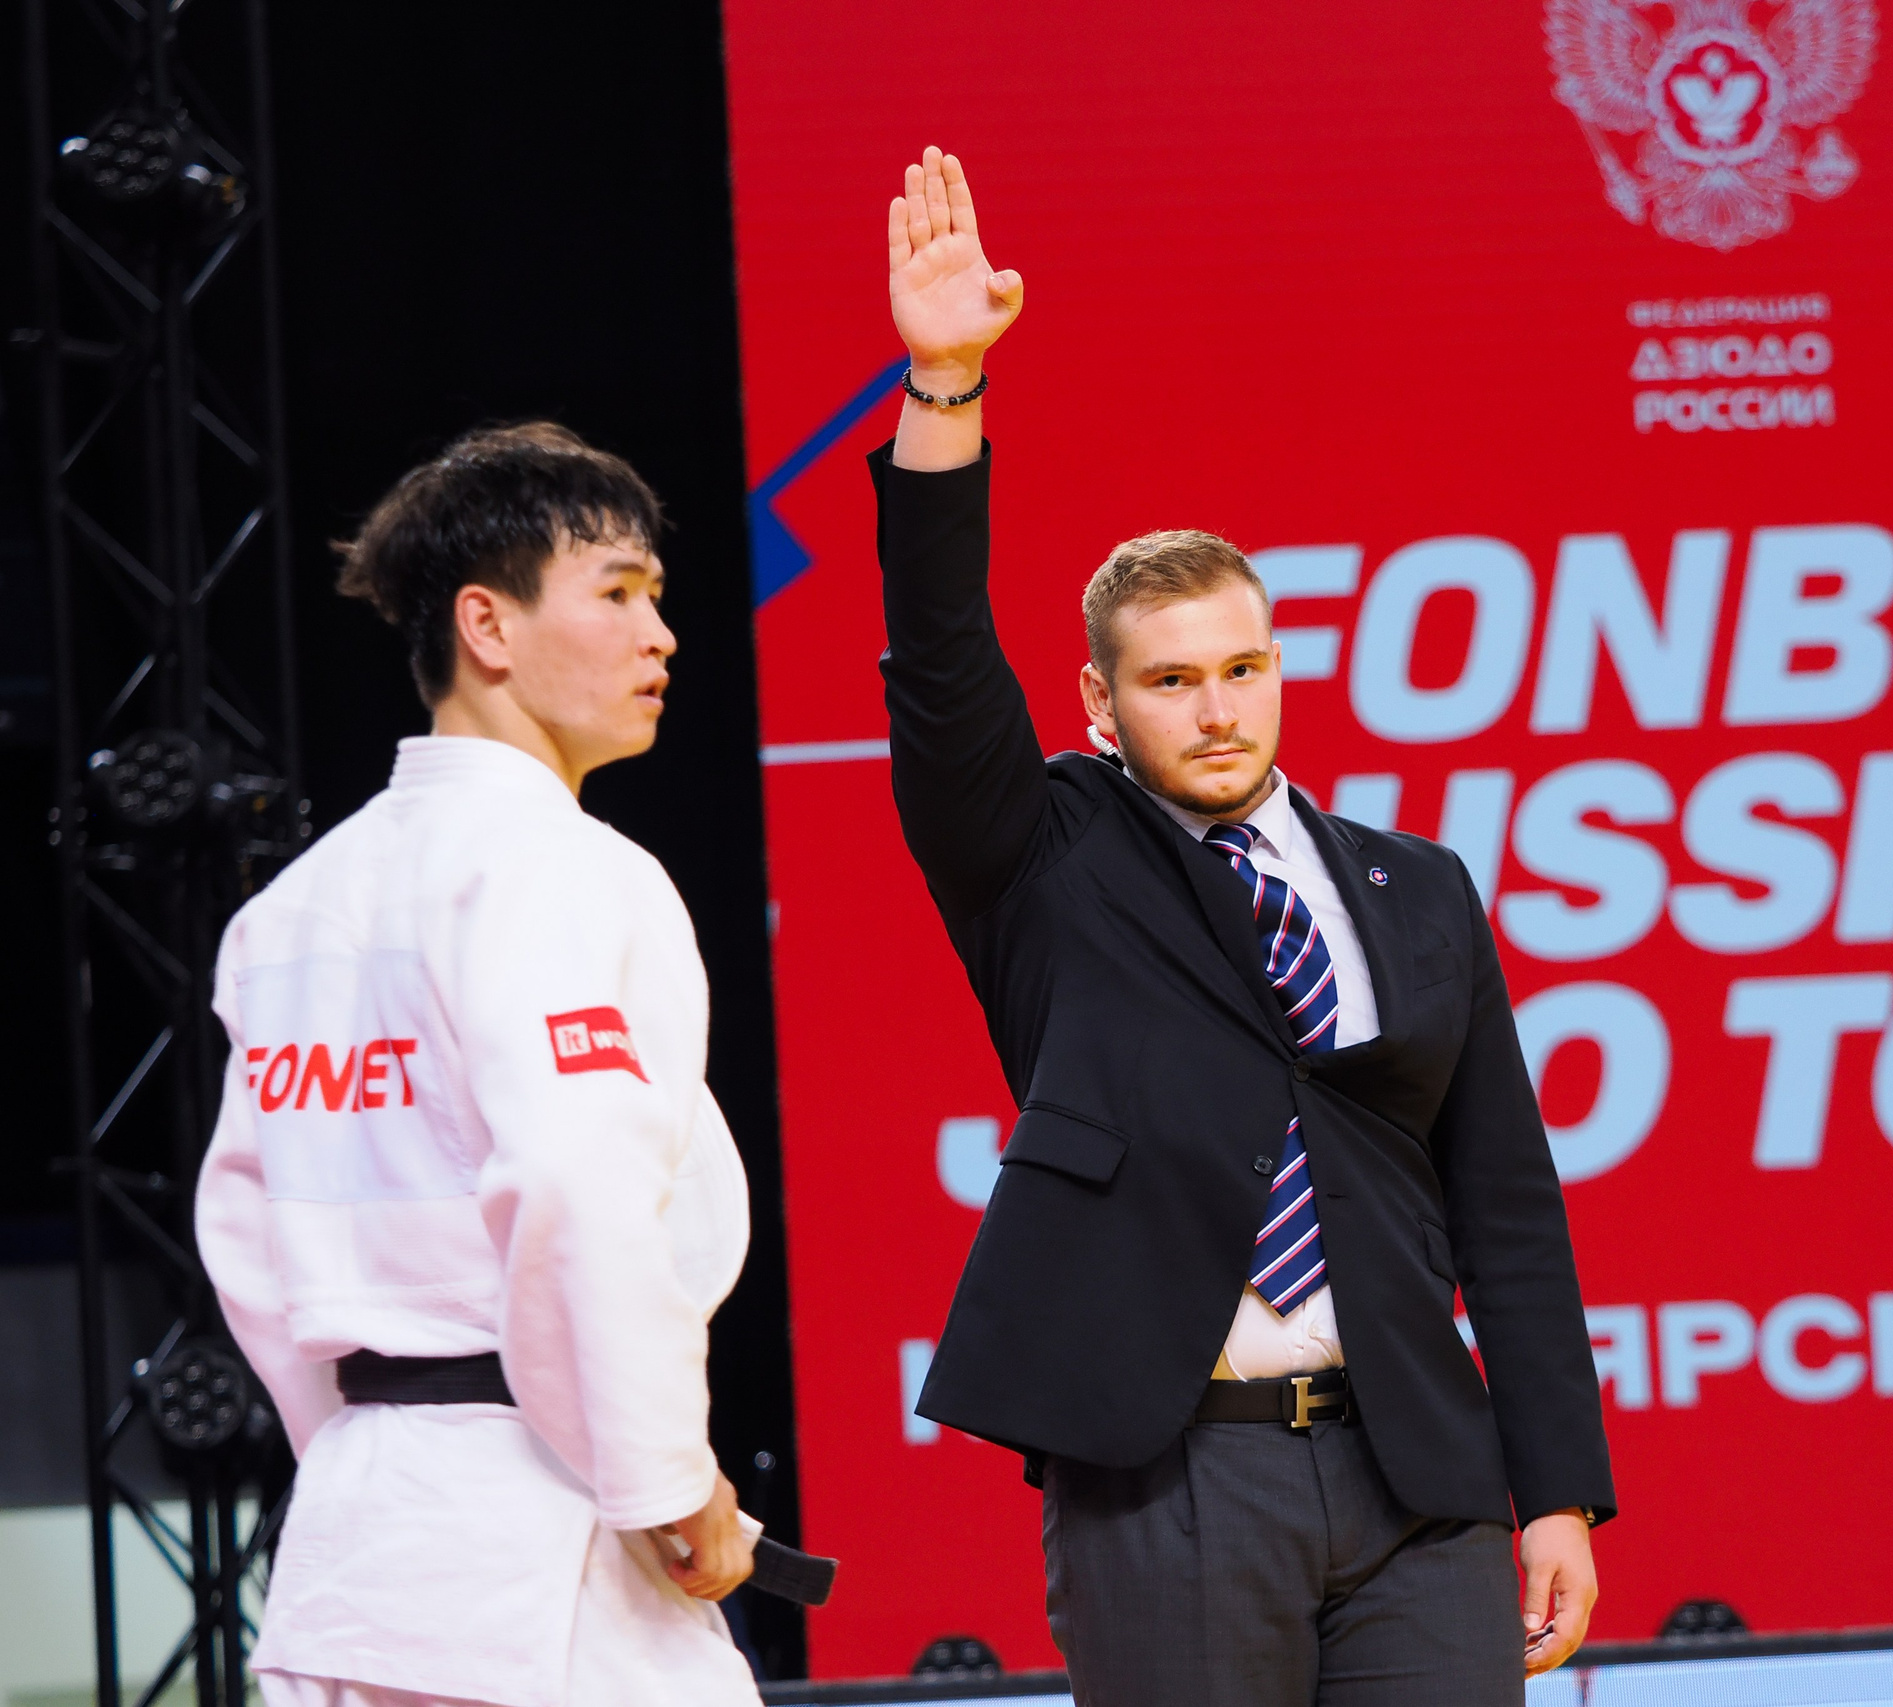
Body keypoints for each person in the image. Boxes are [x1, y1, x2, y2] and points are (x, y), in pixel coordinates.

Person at [875, 147, 1615, 1705]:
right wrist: (947, 389)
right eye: (1170, 677)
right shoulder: (1049, 857)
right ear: (1100, 701)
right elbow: (943, 668)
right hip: (1176, 1467)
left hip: (1418, 1468)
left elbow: (1508, 1204)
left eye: (1243, 668)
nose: (1216, 709)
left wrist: (1554, 1484)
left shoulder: (1415, 883)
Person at [193, 423, 763, 1707]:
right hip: (550, 1552)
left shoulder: (288, 909)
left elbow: (244, 1239)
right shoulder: (565, 869)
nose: (659, 635)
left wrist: (357, 1457)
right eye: (617, 593)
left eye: (656, 599)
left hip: (354, 1551)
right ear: (487, 628)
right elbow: (573, 1184)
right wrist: (667, 1477)